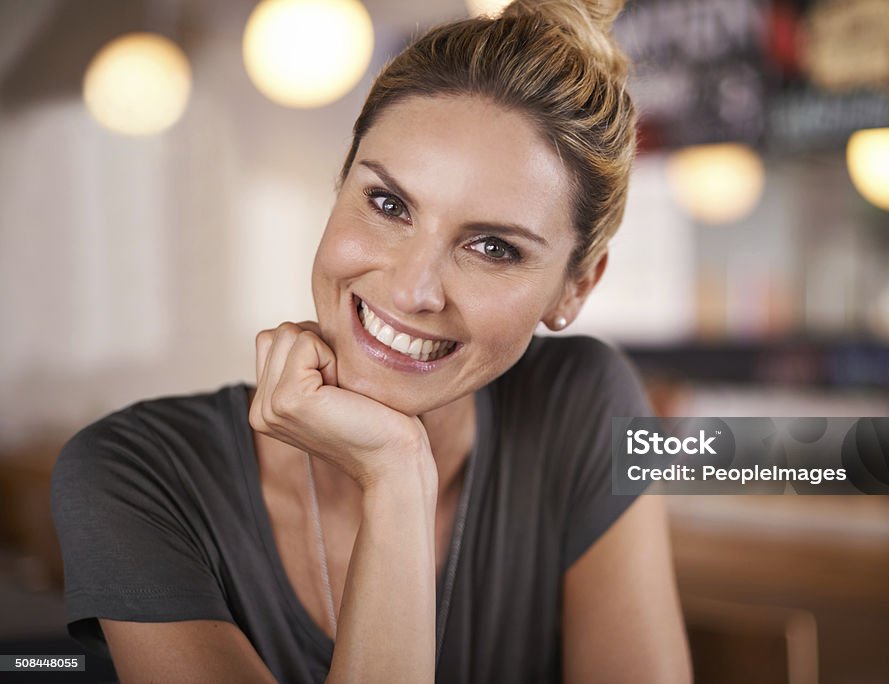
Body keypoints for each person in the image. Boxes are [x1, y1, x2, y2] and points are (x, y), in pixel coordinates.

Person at [51, 0, 691, 681]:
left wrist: (393, 475)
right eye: (388, 205)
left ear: (576, 289)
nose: (415, 288)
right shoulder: (133, 477)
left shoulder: (582, 403)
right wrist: (396, 471)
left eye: (494, 247)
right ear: (339, 189)